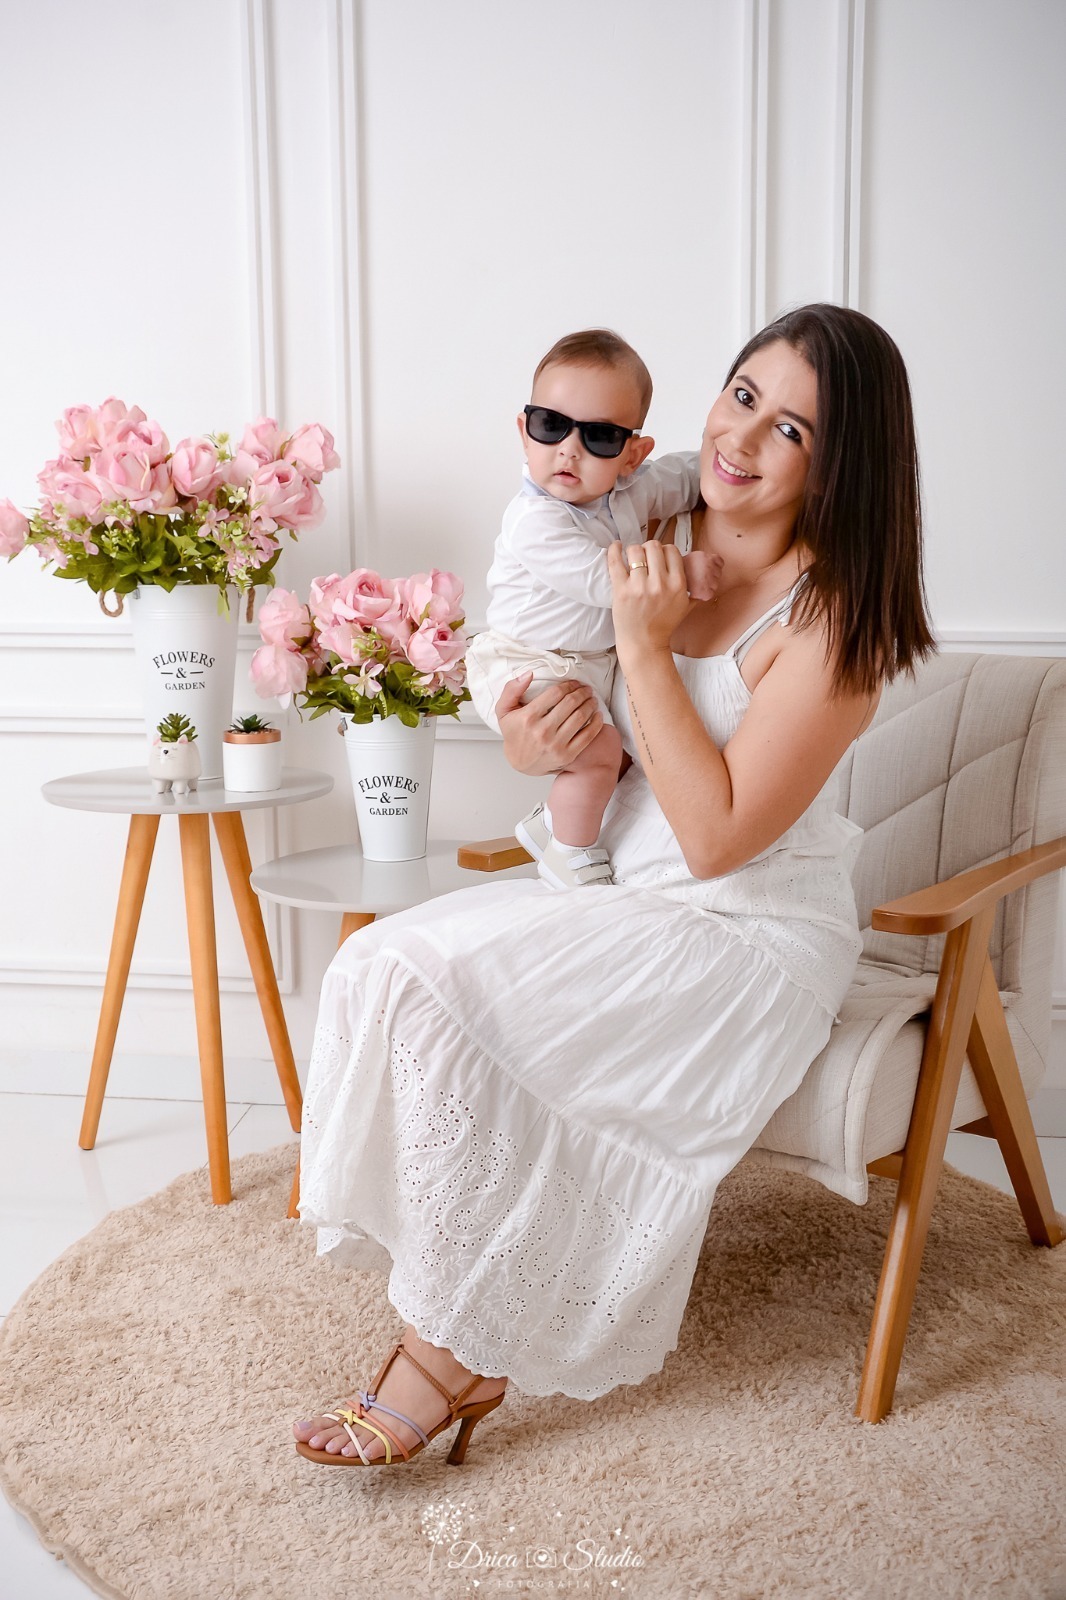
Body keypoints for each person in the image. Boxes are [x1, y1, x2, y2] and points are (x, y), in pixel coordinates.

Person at [292, 303, 934, 1468]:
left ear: (837, 465)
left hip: (743, 925)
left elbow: (718, 841)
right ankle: (458, 1314)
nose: (742, 440)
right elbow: (556, 691)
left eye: (790, 429)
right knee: (385, 965)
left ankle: (443, 1359)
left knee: (440, 986)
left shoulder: (833, 621)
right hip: (610, 881)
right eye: (742, 396)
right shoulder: (640, 511)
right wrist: (537, 737)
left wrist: (644, 643)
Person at [466, 329, 718, 890]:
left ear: (633, 453)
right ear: (524, 432)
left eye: (600, 436)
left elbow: (683, 476)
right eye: (551, 426)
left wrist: (722, 467)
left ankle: (552, 823)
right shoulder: (535, 521)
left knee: (626, 753)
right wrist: (682, 568)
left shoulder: (630, 489)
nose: (569, 450)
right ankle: (570, 857)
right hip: (524, 662)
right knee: (598, 749)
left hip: (584, 662)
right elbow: (602, 580)